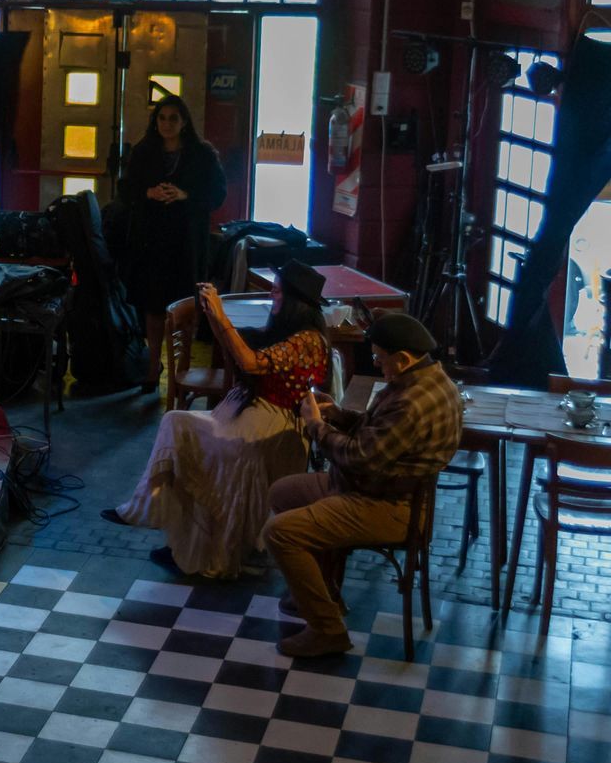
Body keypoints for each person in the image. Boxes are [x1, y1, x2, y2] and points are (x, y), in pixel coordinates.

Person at [106, 260, 331, 578]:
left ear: (295, 300)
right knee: (177, 424)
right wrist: (214, 315)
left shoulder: (307, 340)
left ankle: (188, 540)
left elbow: (251, 364)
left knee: (189, 434)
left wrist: (219, 314)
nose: (271, 295)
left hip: (273, 424)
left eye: (277, 291)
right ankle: (157, 519)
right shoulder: (289, 329)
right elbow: (240, 351)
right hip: (255, 411)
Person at [263, 312, 463, 658]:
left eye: (379, 359)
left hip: (390, 506)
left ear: (402, 358)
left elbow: (358, 457)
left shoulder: (412, 401)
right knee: (283, 492)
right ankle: (325, 591)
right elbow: (382, 437)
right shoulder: (424, 379)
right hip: (372, 487)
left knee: (281, 533)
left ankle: (327, 629)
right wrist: (339, 415)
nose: (377, 364)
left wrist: (315, 427)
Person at [118, 94, 228, 393]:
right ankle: (154, 365)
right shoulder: (143, 151)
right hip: (151, 239)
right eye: (162, 118)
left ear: (184, 122)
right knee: (153, 307)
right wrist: (148, 193)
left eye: (173, 118)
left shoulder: (202, 154)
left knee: (186, 305)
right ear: (155, 121)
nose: (167, 124)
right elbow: (125, 190)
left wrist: (185, 195)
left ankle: (184, 367)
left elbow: (218, 194)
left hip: (187, 241)